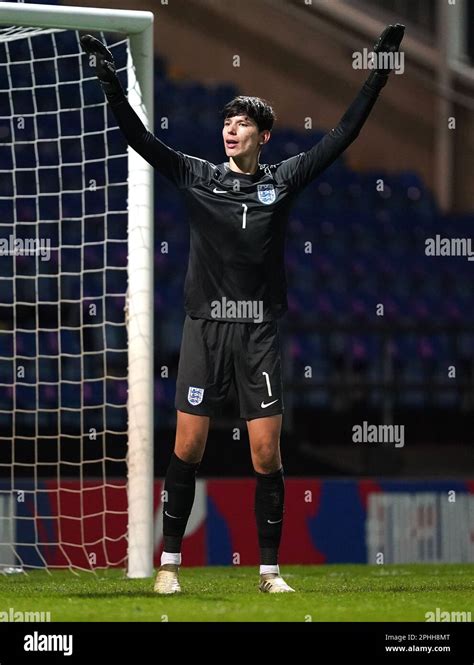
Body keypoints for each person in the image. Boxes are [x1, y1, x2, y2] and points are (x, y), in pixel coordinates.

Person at [81, 23, 405, 594]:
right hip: (204, 329)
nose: (231, 129)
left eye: (243, 123)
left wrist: (378, 73)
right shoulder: (196, 175)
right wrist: (112, 86)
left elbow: (343, 135)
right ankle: (169, 567)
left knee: (264, 452)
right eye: (227, 122)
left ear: (264, 136)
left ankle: (269, 572)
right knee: (188, 446)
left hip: (258, 333)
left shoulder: (283, 181)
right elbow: (142, 140)